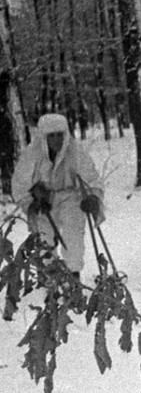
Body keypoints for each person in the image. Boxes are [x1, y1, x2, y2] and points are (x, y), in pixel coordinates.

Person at [12, 113, 105, 279]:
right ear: (43, 137)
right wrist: (31, 203)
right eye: (51, 136)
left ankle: (73, 275)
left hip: (70, 197)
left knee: (73, 234)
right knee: (44, 238)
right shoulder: (32, 154)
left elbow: (90, 177)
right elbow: (20, 184)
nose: (56, 140)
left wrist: (92, 197)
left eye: (59, 135)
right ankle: (49, 278)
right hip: (44, 200)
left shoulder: (75, 151)